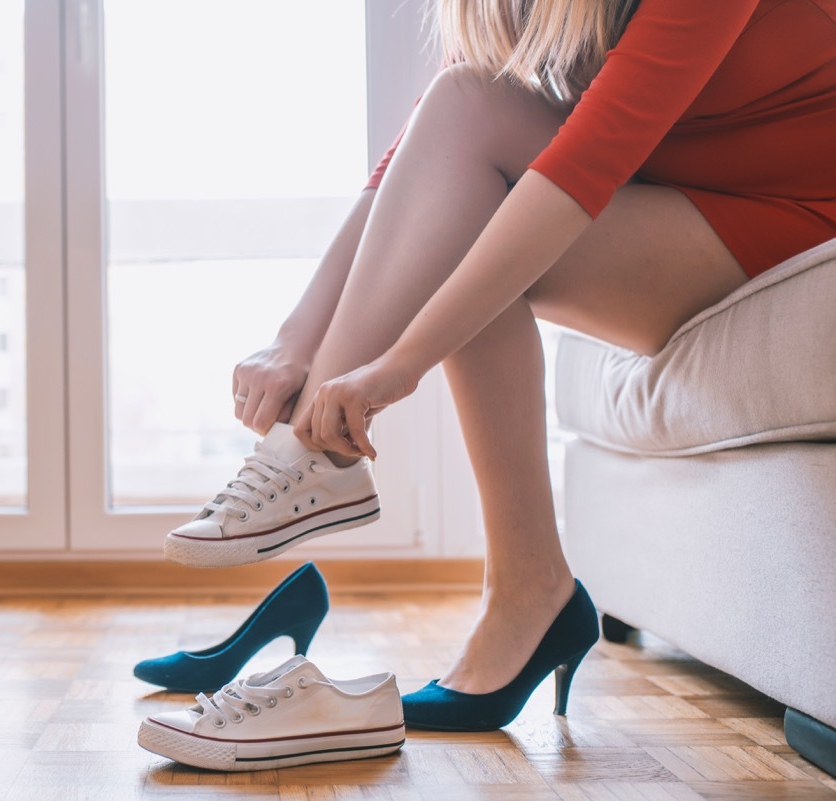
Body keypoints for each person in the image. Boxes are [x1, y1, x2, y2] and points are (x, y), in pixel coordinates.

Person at [165, 0, 836, 730]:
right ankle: (523, 585)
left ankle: (309, 452)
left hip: (798, 213)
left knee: (480, 204)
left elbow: (587, 164)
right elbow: (420, 155)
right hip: (691, 199)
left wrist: (403, 363)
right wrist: (294, 338)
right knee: (465, 104)